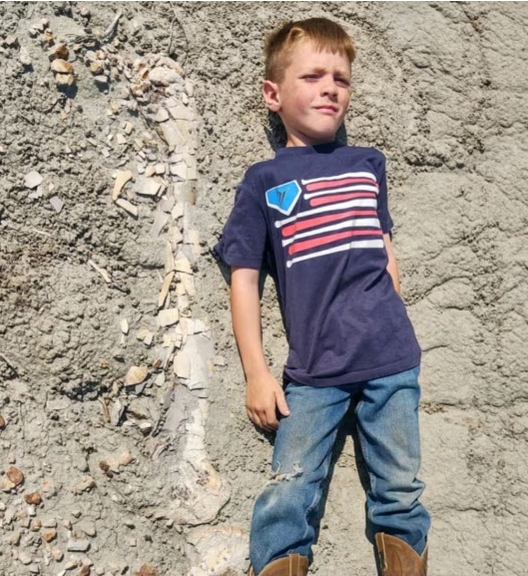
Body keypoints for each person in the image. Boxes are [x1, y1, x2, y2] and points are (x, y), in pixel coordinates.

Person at [212, 17, 430, 576]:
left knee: (400, 490)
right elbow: (243, 276)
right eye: (311, 76)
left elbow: (385, 253)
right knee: (290, 490)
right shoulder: (264, 180)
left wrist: (395, 318)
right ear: (273, 94)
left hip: (391, 360)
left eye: (341, 78)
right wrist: (256, 373)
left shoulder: (367, 166)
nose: (330, 86)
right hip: (312, 371)